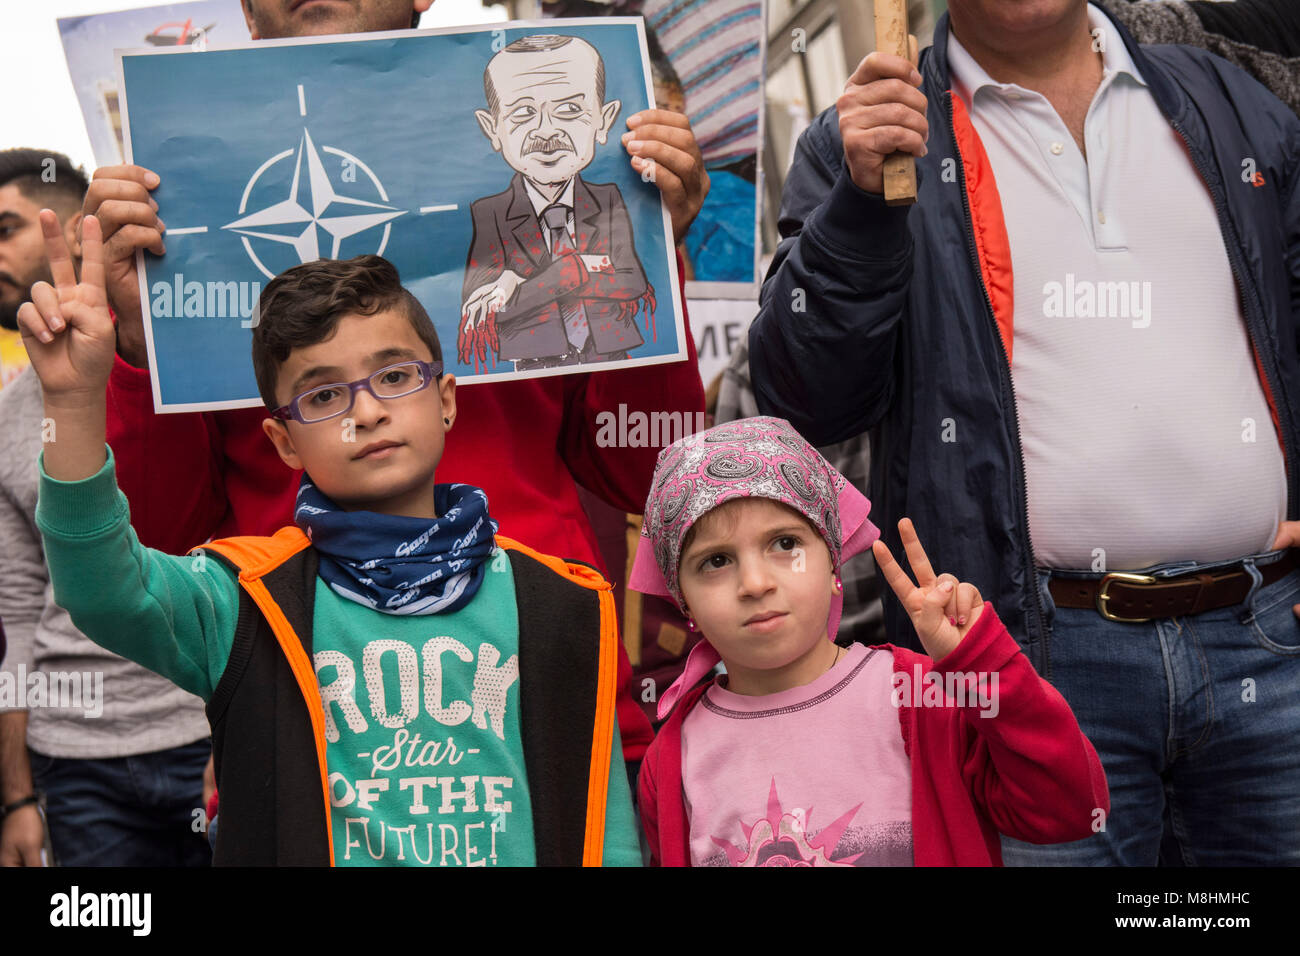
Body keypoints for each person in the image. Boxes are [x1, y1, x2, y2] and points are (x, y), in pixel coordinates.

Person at [79, 0, 711, 771]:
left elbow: (649, 472)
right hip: (306, 719)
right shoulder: (176, 207)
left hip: (543, 699)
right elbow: (159, 536)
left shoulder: (559, 169)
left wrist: (647, 259)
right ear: (245, 9)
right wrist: (143, 346)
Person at [748, 1, 1300, 864]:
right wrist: (858, 208)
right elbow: (808, 394)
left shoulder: (1225, 102)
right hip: (1030, 662)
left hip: (1267, 639)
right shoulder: (866, 138)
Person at [18, 233, 640, 866]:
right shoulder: (246, 602)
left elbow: (602, 827)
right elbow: (100, 587)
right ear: (283, 443)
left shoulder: (564, 604)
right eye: (322, 396)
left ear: (446, 399)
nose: (365, 412)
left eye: (395, 376)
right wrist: (71, 402)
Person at [630, 417, 1107, 866]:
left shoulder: (921, 696)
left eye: (785, 544)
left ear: (833, 561)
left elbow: (1067, 808)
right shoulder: (674, 758)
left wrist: (981, 666)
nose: (755, 583)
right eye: (715, 561)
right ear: (683, 601)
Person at [0, 149, 211, 868]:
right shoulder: (5, 411)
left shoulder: (191, 376)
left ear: (81, 229)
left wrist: (242, 724)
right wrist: (18, 797)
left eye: (6, 226)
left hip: (209, 738)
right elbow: (15, 609)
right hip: (74, 761)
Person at [463, 34, 653, 371]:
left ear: (603, 120)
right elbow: (488, 307)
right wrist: (585, 266)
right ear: (492, 129)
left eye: (569, 109)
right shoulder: (490, 212)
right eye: (522, 113)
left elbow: (632, 280)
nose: (546, 131)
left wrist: (533, 279)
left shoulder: (609, 197)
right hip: (534, 372)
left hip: (613, 362)